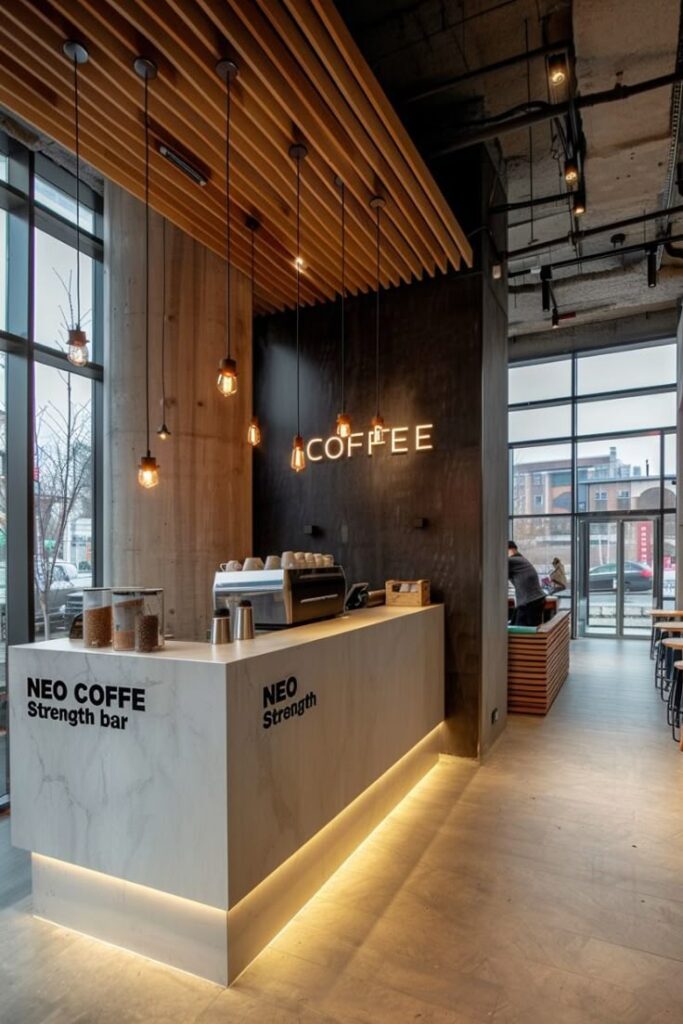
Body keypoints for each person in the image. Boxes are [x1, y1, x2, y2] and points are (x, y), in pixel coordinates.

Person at [508, 540, 546, 626]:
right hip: (534, 600)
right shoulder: (521, 559)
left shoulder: (513, 561)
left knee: (520, 629)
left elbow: (496, 571)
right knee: (514, 624)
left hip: (530, 602)